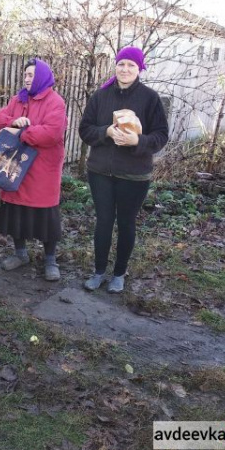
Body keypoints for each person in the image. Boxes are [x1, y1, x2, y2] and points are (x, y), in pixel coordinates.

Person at [78, 46, 168, 294]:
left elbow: (161, 136)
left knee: (126, 223)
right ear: (115, 67)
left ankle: (119, 274)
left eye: (131, 65)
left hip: (134, 174)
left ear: (139, 69)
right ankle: (98, 272)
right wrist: (105, 131)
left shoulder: (150, 98)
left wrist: (138, 142)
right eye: (121, 64)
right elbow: (84, 130)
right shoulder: (101, 97)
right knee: (103, 222)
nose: (125, 69)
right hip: (100, 172)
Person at [0, 59, 68, 281]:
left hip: (43, 169)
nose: (27, 78)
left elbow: (51, 133)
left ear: (43, 77)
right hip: (16, 165)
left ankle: (50, 260)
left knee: (45, 214)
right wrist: (15, 121)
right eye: (25, 74)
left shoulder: (55, 102)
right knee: (16, 209)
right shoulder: (18, 99)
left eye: (32, 75)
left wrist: (21, 133)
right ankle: (20, 254)